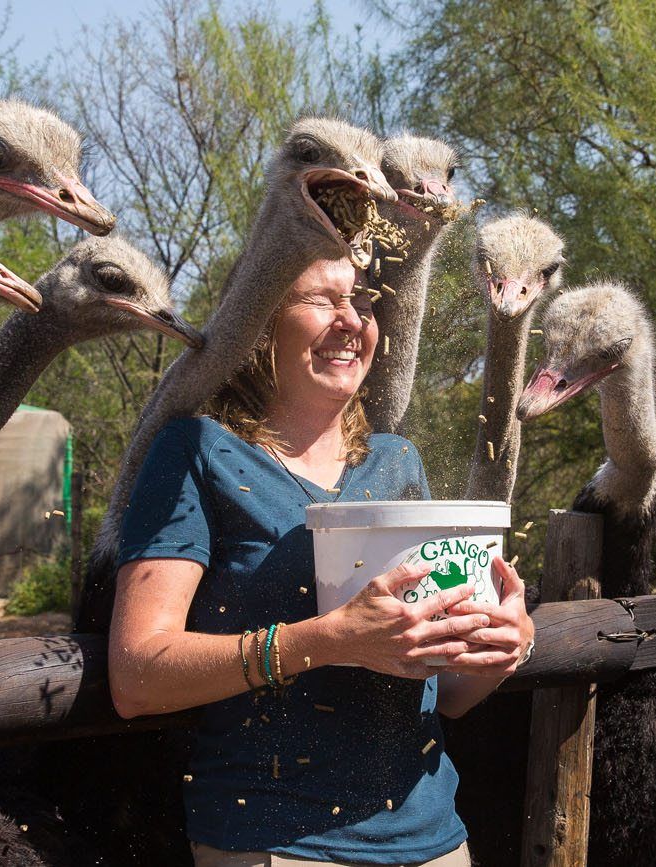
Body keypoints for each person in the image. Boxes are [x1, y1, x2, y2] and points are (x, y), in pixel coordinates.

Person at [109, 255, 535, 867]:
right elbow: (136, 678)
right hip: (275, 844)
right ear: (257, 322)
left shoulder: (396, 463)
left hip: (434, 840)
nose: (351, 321)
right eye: (322, 301)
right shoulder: (196, 452)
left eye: (363, 302)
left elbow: (447, 695)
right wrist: (328, 640)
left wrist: (502, 647)